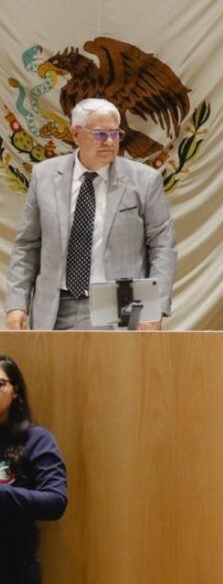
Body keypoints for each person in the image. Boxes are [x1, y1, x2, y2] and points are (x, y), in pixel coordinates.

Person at [5, 98, 177, 331]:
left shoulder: (145, 181)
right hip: (55, 305)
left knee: (115, 369)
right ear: (76, 134)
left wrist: (153, 307)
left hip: (119, 302)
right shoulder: (44, 176)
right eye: (99, 134)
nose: (109, 142)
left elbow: (162, 246)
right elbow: (27, 245)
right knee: (53, 369)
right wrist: (17, 303)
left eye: (115, 134)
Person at [0, 355, 68, 584]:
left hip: (14, 568)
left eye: (0, 384)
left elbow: (55, 501)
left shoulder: (36, 439)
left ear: (15, 391)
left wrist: (4, 495)